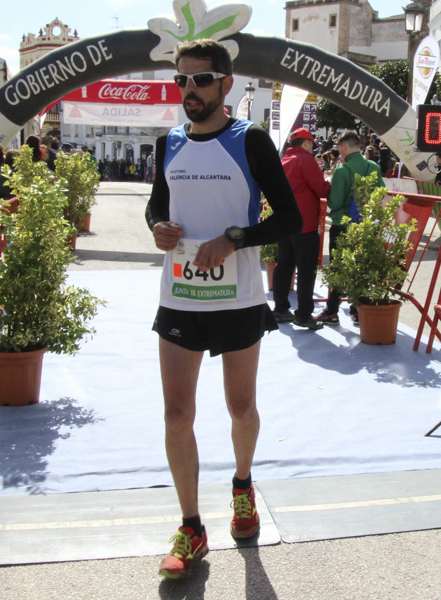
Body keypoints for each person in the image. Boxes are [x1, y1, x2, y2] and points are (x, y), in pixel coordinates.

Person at [145, 39, 301, 581]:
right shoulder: (168, 142)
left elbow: (290, 218)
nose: (190, 90)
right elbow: (156, 207)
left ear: (225, 84)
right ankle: (191, 526)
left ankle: (242, 486)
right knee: (175, 414)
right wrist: (157, 229)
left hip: (237, 295)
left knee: (240, 408)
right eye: (182, 81)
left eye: (201, 80)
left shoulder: (250, 140)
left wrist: (235, 238)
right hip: (181, 294)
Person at [317, 130, 384, 325]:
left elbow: (335, 202)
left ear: (345, 147)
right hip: (364, 223)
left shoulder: (342, 170)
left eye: (339, 147)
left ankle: (331, 310)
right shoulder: (373, 166)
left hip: (342, 223)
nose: (338, 150)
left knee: (339, 267)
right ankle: (356, 309)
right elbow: (380, 193)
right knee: (360, 265)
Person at [274, 128, 329, 330]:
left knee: (284, 266)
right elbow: (321, 188)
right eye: (311, 146)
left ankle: (280, 309)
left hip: (285, 223)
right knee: (306, 270)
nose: (312, 150)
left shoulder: (283, 161)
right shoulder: (305, 160)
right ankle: (304, 314)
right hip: (304, 223)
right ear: (306, 144)